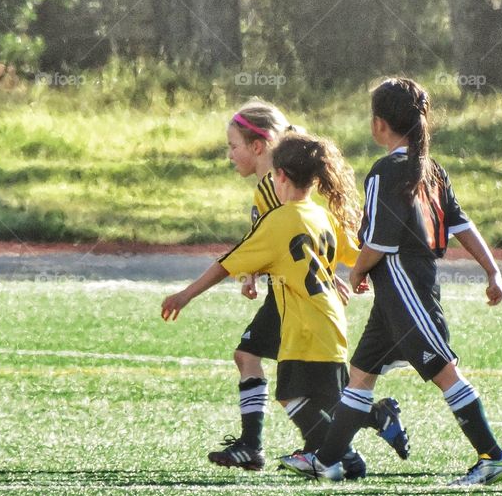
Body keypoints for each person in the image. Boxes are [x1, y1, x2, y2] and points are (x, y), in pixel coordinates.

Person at [280, 77, 502, 486]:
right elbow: (462, 224)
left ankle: (492, 456)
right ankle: (329, 460)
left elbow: (381, 242)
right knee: (361, 374)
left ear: (380, 124)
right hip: (400, 287)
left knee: (443, 371)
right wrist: (492, 269)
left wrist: (356, 271)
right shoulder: (431, 168)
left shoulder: (387, 170)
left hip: (405, 283)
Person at [162, 133, 397, 477]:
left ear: (280, 175)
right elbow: (356, 253)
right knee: (326, 399)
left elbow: (228, 262)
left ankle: (337, 456)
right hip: (332, 323)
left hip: (302, 328)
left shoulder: (279, 221)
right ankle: (341, 450)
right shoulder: (322, 217)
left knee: (291, 396)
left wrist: (185, 294)